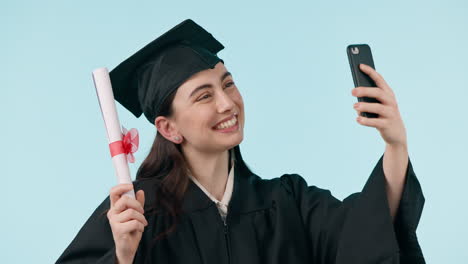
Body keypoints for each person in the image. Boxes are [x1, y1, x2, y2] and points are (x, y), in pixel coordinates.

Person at [56, 19, 425, 264]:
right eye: (204, 96)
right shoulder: (136, 212)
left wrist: (395, 145)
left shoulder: (287, 202)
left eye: (228, 83)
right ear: (168, 128)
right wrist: (121, 256)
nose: (227, 102)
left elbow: (367, 233)